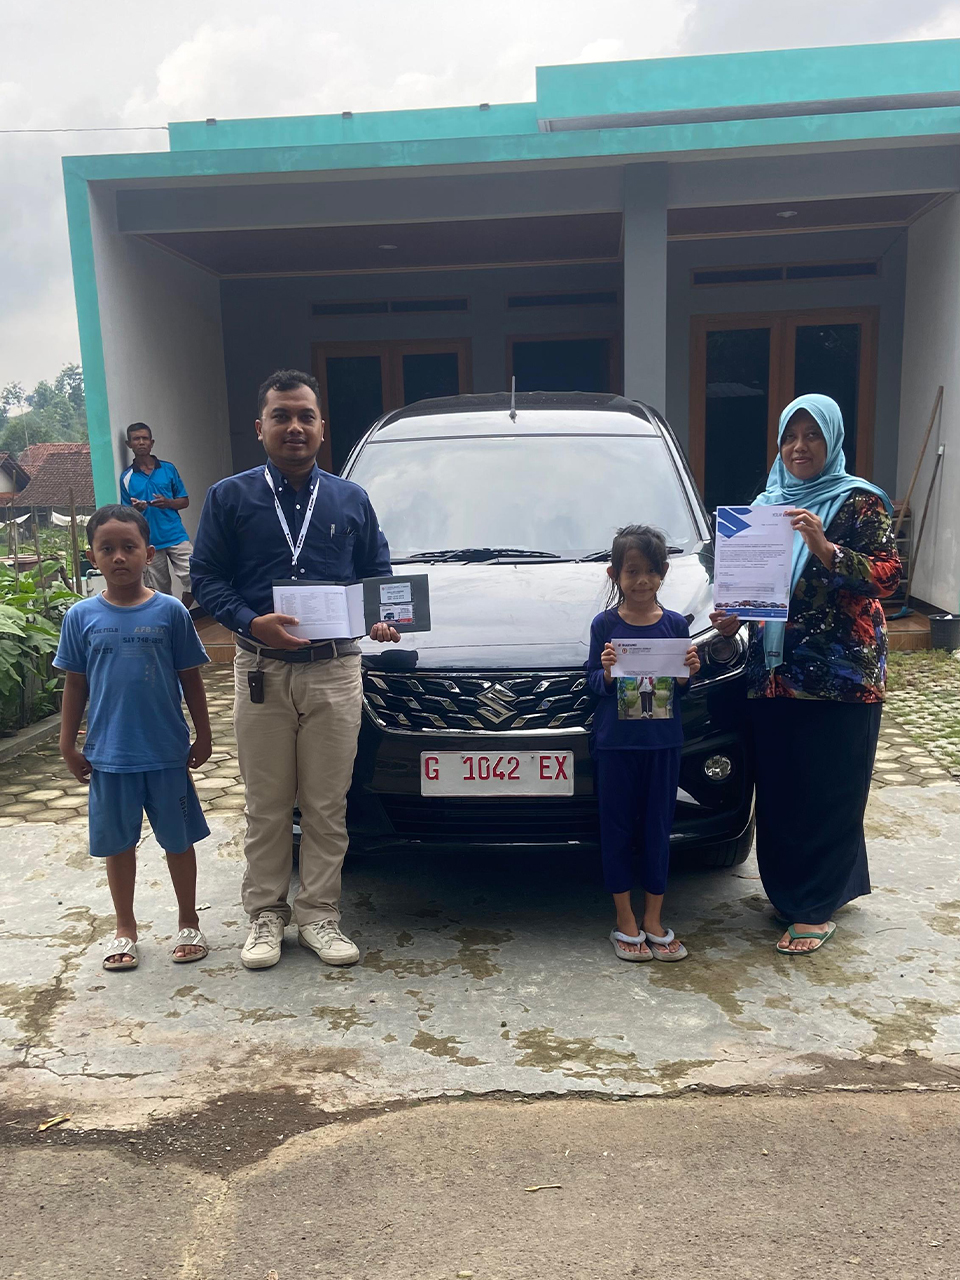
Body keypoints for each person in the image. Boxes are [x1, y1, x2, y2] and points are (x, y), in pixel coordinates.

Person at [190, 369, 399, 973]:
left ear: (322, 428)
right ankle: (265, 913)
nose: (294, 427)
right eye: (281, 416)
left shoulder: (350, 499)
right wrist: (250, 622)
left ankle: (319, 914)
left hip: (335, 670)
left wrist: (384, 619)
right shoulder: (230, 497)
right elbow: (207, 577)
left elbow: (377, 574)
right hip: (261, 668)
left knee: (327, 803)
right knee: (268, 803)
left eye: (305, 416)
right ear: (260, 427)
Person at [710, 394, 901, 956]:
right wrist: (733, 615)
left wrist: (824, 546)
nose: (800, 447)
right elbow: (754, 592)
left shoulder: (860, 502)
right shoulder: (764, 507)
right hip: (772, 674)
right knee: (780, 787)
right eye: (790, 436)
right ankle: (794, 892)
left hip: (840, 677)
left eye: (812, 435)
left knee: (831, 789)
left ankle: (814, 907)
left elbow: (888, 578)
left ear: (832, 440)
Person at [55, 504, 212, 972]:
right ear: (92, 557)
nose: (119, 557)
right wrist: (67, 744)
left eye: (129, 546)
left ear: (149, 553)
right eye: (107, 549)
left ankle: (189, 922)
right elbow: (75, 684)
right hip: (108, 756)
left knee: (178, 841)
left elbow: (191, 678)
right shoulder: (81, 616)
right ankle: (125, 927)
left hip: (166, 752)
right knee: (117, 845)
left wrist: (203, 735)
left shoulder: (171, 612)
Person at [587, 525, 701, 963]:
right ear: (614, 574)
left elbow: (681, 687)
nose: (642, 581)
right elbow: (591, 682)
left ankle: (654, 918)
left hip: (662, 743)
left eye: (651, 571)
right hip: (616, 745)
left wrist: (688, 673)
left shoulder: (675, 625)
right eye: (632, 571)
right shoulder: (605, 625)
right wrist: (606, 673)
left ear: (664, 573)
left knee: (658, 829)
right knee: (616, 829)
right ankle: (625, 919)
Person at [120, 422, 194, 597]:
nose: (141, 442)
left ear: (152, 442)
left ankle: (181, 610)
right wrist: (136, 509)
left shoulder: (168, 469)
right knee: (159, 592)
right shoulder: (126, 478)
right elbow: (125, 516)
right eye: (136, 439)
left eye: (145, 438)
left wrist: (168, 502)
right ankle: (170, 615)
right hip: (149, 541)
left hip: (175, 535)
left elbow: (184, 501)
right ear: (129, 444)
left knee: (196, 577)